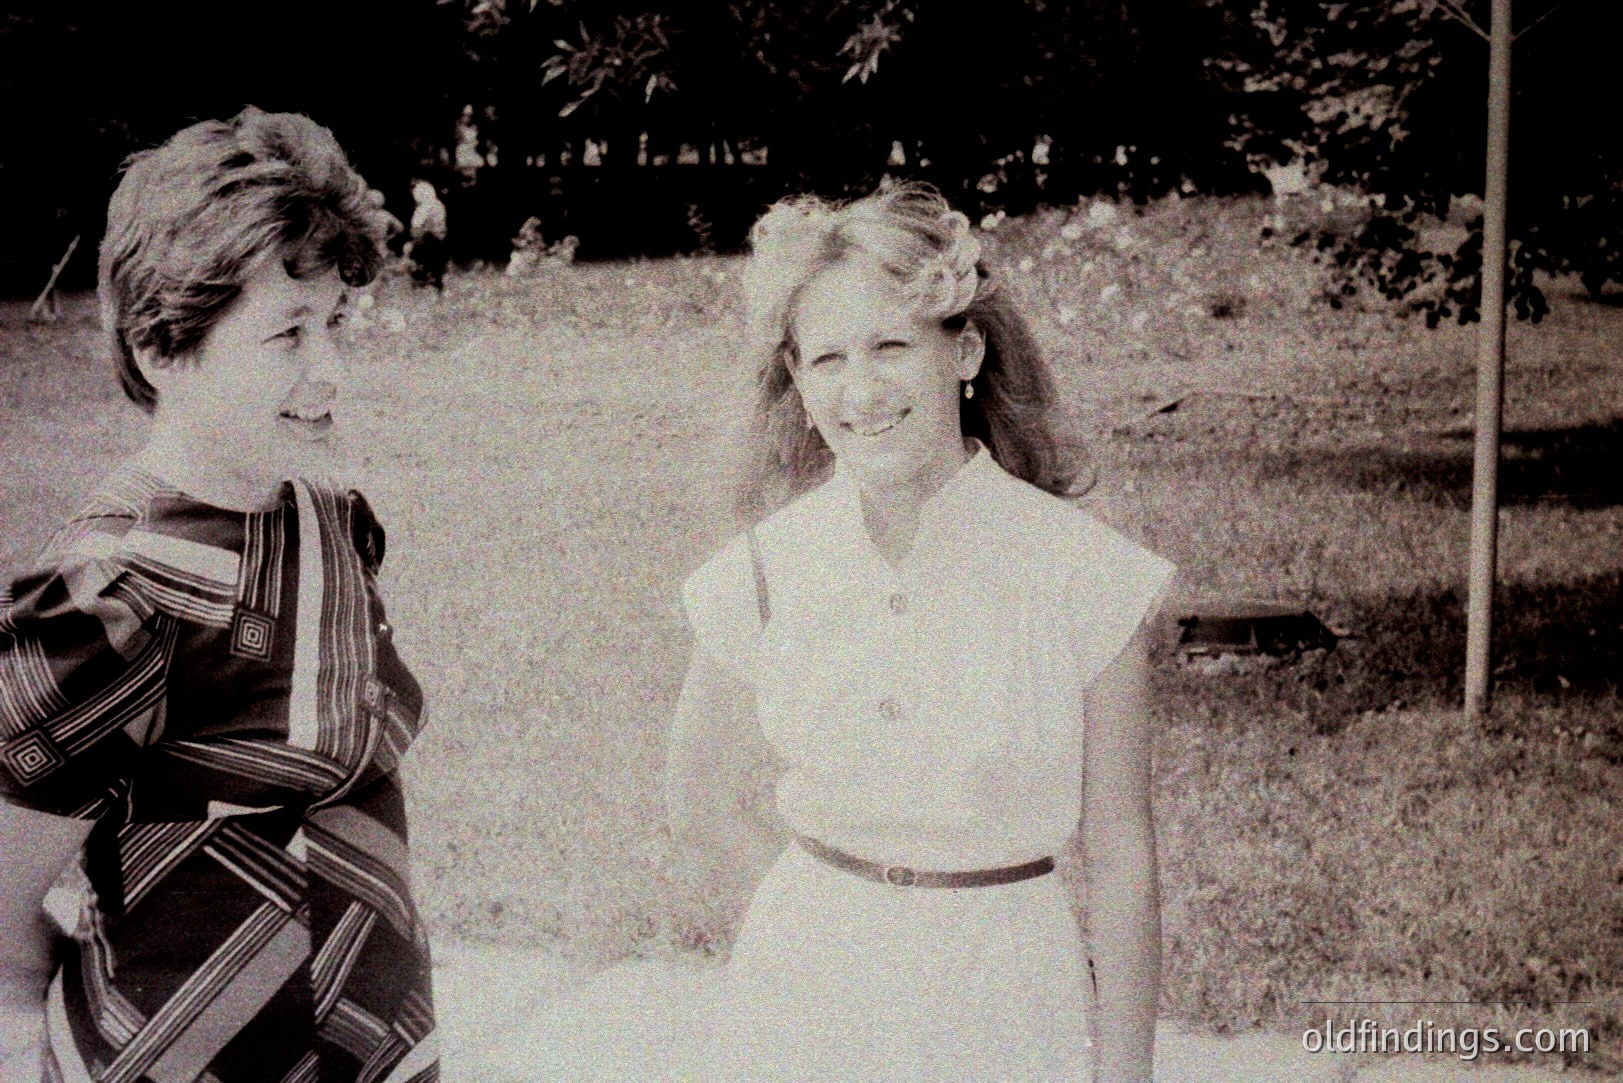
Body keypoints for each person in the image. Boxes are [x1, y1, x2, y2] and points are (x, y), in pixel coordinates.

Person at [514, 181, 1172, 1081]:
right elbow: (694, 796)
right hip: (806, 1004)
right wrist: (823, 925)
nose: (860, 389)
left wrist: (1125, 1070)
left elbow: (1122, 853)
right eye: (826, 359)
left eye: (891, 346)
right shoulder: (767, 568)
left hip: (1007, 995)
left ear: (965, 348)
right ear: (795, 379)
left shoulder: (1080, 573)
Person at [0, 108, 438, 1081]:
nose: (329, 368)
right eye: (288, 332)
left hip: (376, 1047)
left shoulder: (334, 522)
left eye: (333, 324)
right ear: (164, 347)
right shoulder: (103, 597)